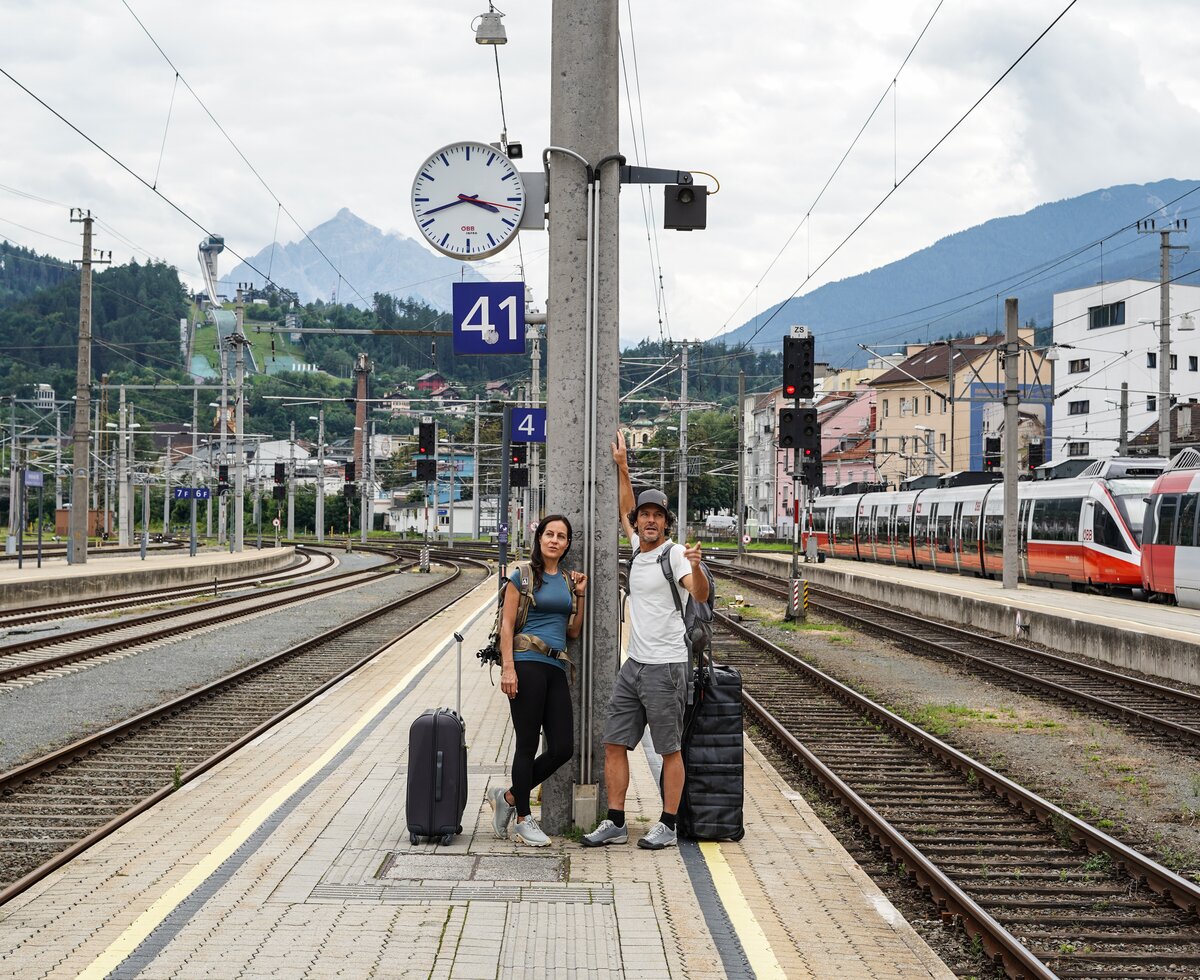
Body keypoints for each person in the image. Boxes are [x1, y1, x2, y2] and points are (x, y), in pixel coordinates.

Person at [582, 431, 709, 851]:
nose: (650, 520)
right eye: (644, 515)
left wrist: (697, 567)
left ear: (667, 523)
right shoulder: (637, 548)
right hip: (633, 664)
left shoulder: (673, 554)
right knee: (614, 742)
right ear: (637, 523)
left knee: (669, 749)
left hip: (668, 666)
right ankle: (616, 821)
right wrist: (623, 466)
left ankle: (668, 825)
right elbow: (623, 505)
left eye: (658, 515)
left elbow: (699, 593)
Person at [488, 514, 587, 847]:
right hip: (526, 664)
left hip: (556, 667)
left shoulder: (568, 582)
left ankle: (511, 797)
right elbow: (506, 627)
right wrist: (508, 668)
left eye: (561, 536)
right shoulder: (523, 576)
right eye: (549, 534)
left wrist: (582, 595)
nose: (554, 540)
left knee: (562, 747)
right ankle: (523, 819)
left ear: (567, 544)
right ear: (539, 539)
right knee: (527, 745)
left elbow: (572, 631)